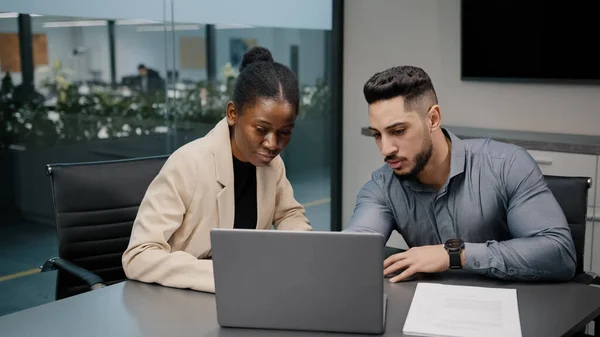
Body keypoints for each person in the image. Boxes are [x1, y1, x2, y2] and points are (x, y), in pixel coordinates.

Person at [346, 65, 576, 283]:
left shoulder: (507, 165)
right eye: (377, 134)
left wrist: (454, 255)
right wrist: (321, 247)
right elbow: (355, 248)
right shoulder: (381, 187)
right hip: (429, 313)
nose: (386, 149)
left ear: (433, 119)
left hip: (511, 310)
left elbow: (559, 254)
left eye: (398, 131)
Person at [122, 47, 312, 293]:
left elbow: (289, 214)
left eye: (284, 132)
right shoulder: (188, 163)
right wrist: (225, 274)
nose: (273, 144)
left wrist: (295, 249)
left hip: (249, 292)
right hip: (187, 298)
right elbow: (139, 255)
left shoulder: (271, 165)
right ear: (233, 114)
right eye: (261, 129)